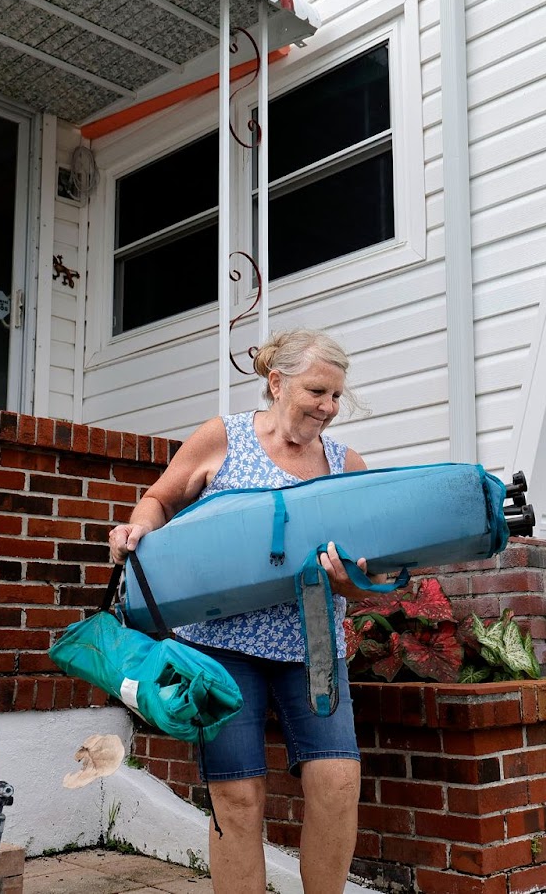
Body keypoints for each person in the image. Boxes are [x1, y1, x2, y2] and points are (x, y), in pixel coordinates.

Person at [107, 328, 378, 894]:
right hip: (219, 648)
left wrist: (351, 579)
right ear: (277, 383)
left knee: (337, 782)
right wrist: (138, 527)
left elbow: (364, 579)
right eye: (316, 392)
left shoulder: (343, 461)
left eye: (335, 396)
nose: (328, 408)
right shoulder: (222, 437)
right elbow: (160, 498)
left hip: (313, 646)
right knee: (237, 795)